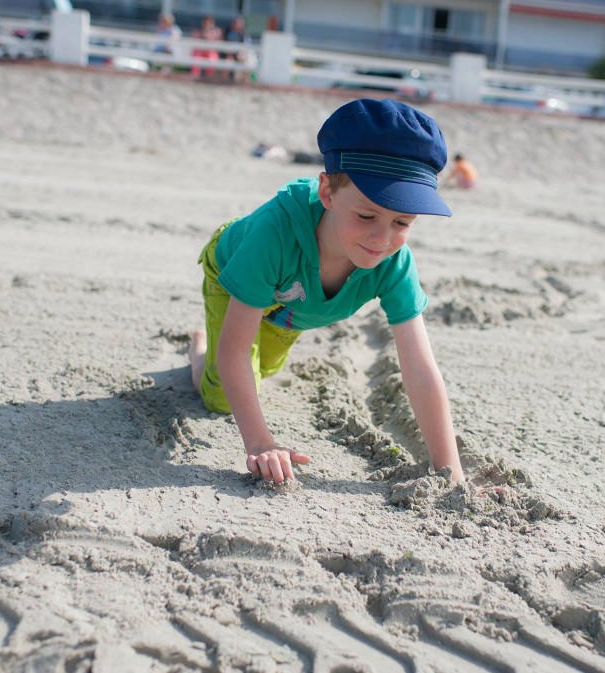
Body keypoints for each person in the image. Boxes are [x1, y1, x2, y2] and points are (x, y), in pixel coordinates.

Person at [189, 98, 465, 486]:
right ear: (327, 192)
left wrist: (450, 474)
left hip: (293, 304)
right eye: (367, 216)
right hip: (239, 271)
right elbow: (234, 350)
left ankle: (245, 347)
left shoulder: (394, 261)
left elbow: (420, 369)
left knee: (263, 370)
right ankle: (198, 352)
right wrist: (260, 443)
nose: (382, 238)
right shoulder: (272, 236)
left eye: (402, 221)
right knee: (221, 394)